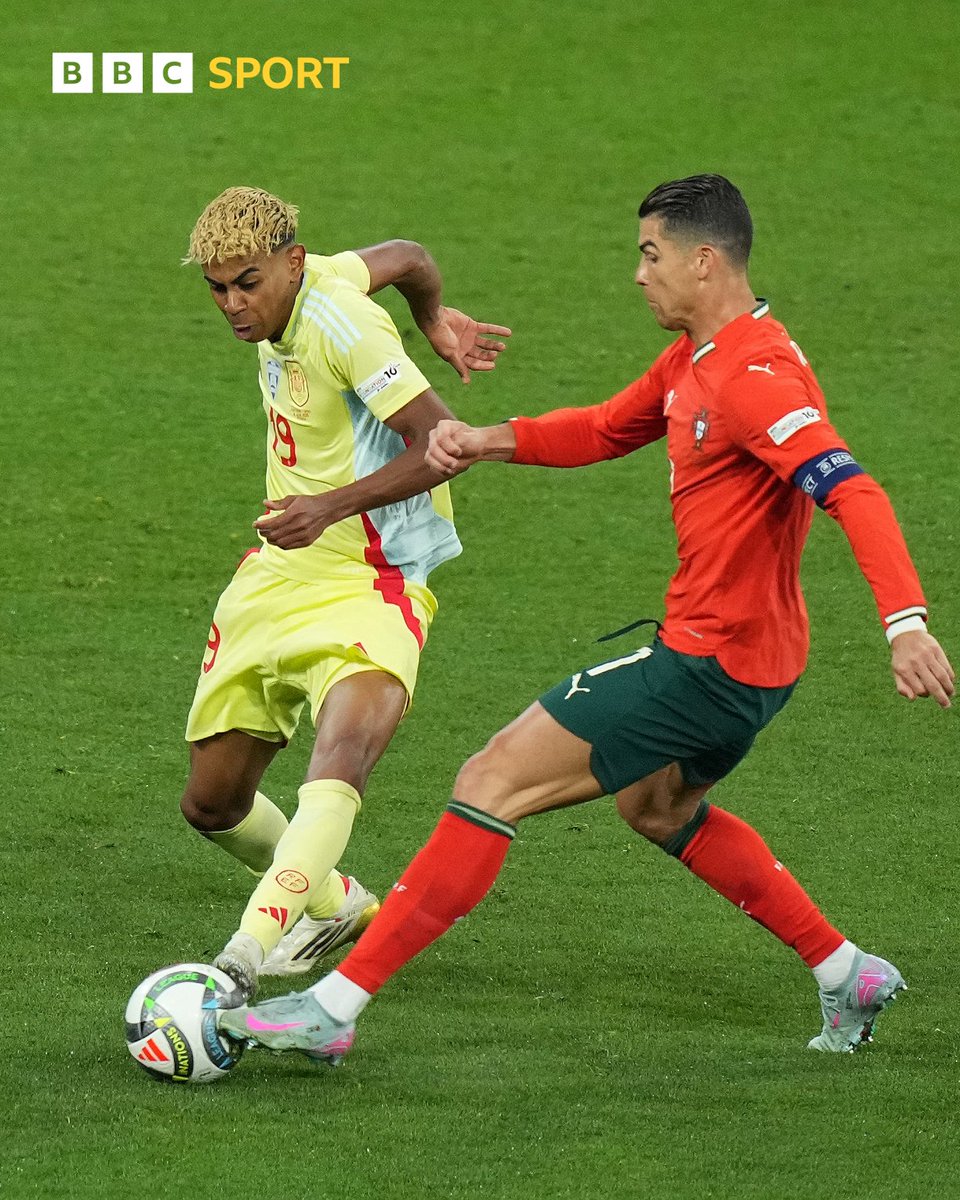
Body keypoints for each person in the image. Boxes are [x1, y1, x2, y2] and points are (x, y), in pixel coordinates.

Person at [219, 174, 954, 1059]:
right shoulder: (703, 356)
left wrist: (905, 623)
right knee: (658, 808)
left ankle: (332, 1009)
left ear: (704, 260)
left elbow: (853, 488)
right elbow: (609, 427)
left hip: (707, 664)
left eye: (651, 255)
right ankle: (846, 972)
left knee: (491, 779)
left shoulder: (753, 380)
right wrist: (488, 439)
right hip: (759, 665)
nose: (637, 275)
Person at [180, 186, 511, 997]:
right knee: (213, 805)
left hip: (372, 582)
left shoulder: (340, 322)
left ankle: (238, 965)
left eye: (247, 283)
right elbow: (407, 255)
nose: (232, 304)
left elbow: (443, 443)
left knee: (339, 762)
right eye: (217, 287)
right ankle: (327, 905)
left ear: (291, 263)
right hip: (277, 576)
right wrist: (436, 318)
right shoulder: (317, 278)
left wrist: (326, 508)